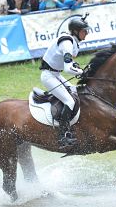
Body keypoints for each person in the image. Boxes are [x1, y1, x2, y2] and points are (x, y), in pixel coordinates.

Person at [39, 14, 90, 149]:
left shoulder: (73, 42)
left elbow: (70, 63)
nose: (86, 33)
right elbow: (68, 68)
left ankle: (73, 126)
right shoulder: (67, 43)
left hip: (55, 74)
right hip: (49, 76)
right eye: (84, 31)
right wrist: (82, 72)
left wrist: (79, 68)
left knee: (74, 91)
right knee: (69, 101)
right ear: (75, 31)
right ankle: (63, 136)